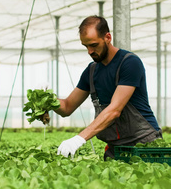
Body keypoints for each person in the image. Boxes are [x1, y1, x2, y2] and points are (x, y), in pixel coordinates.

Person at [54, 15, 162, 160]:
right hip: (115, 148)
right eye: (86, 46)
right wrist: (48, 100)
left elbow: (114, 110)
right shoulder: (91, 71)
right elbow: (67, 107)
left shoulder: (129, 63)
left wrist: (79, 139)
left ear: (107, 37)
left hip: (144, 144)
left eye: (93, 45)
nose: (89, 51)